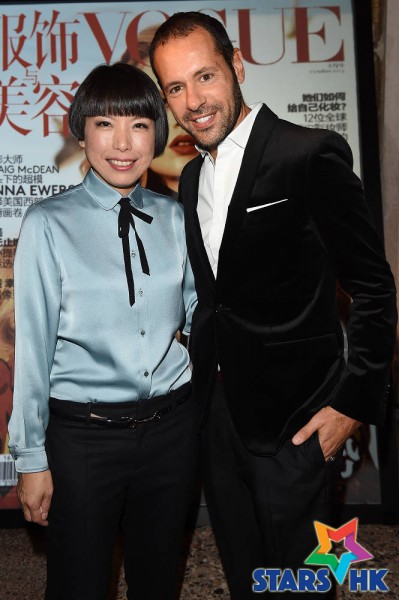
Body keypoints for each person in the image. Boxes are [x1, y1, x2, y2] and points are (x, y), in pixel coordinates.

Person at [149, 11, 398, 599]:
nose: (194, 101)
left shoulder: (308, 154)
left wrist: (350, 406)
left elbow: (373, 286)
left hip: (298, 423)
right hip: (217, 418)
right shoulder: (188, 179)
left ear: (236, 66)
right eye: (175, 88)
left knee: (306, 579)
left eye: (204, 77)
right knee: (247, 574)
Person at [8, 61, 198, 600]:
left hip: (171, 432)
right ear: (81, 131)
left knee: (159, 579)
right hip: (83, 438)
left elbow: (202, 317)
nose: (123, 142)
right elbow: (33, 350)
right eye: (104, 124)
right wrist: (30, 458)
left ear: (156, 135)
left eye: (139, 125)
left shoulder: (176, 217)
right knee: (78, 584)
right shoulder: (49, 223)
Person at [54, 24, 198, 199]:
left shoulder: (177, 214)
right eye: (159, 104)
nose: (178, 118)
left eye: (181, 96)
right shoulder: (54, 216)